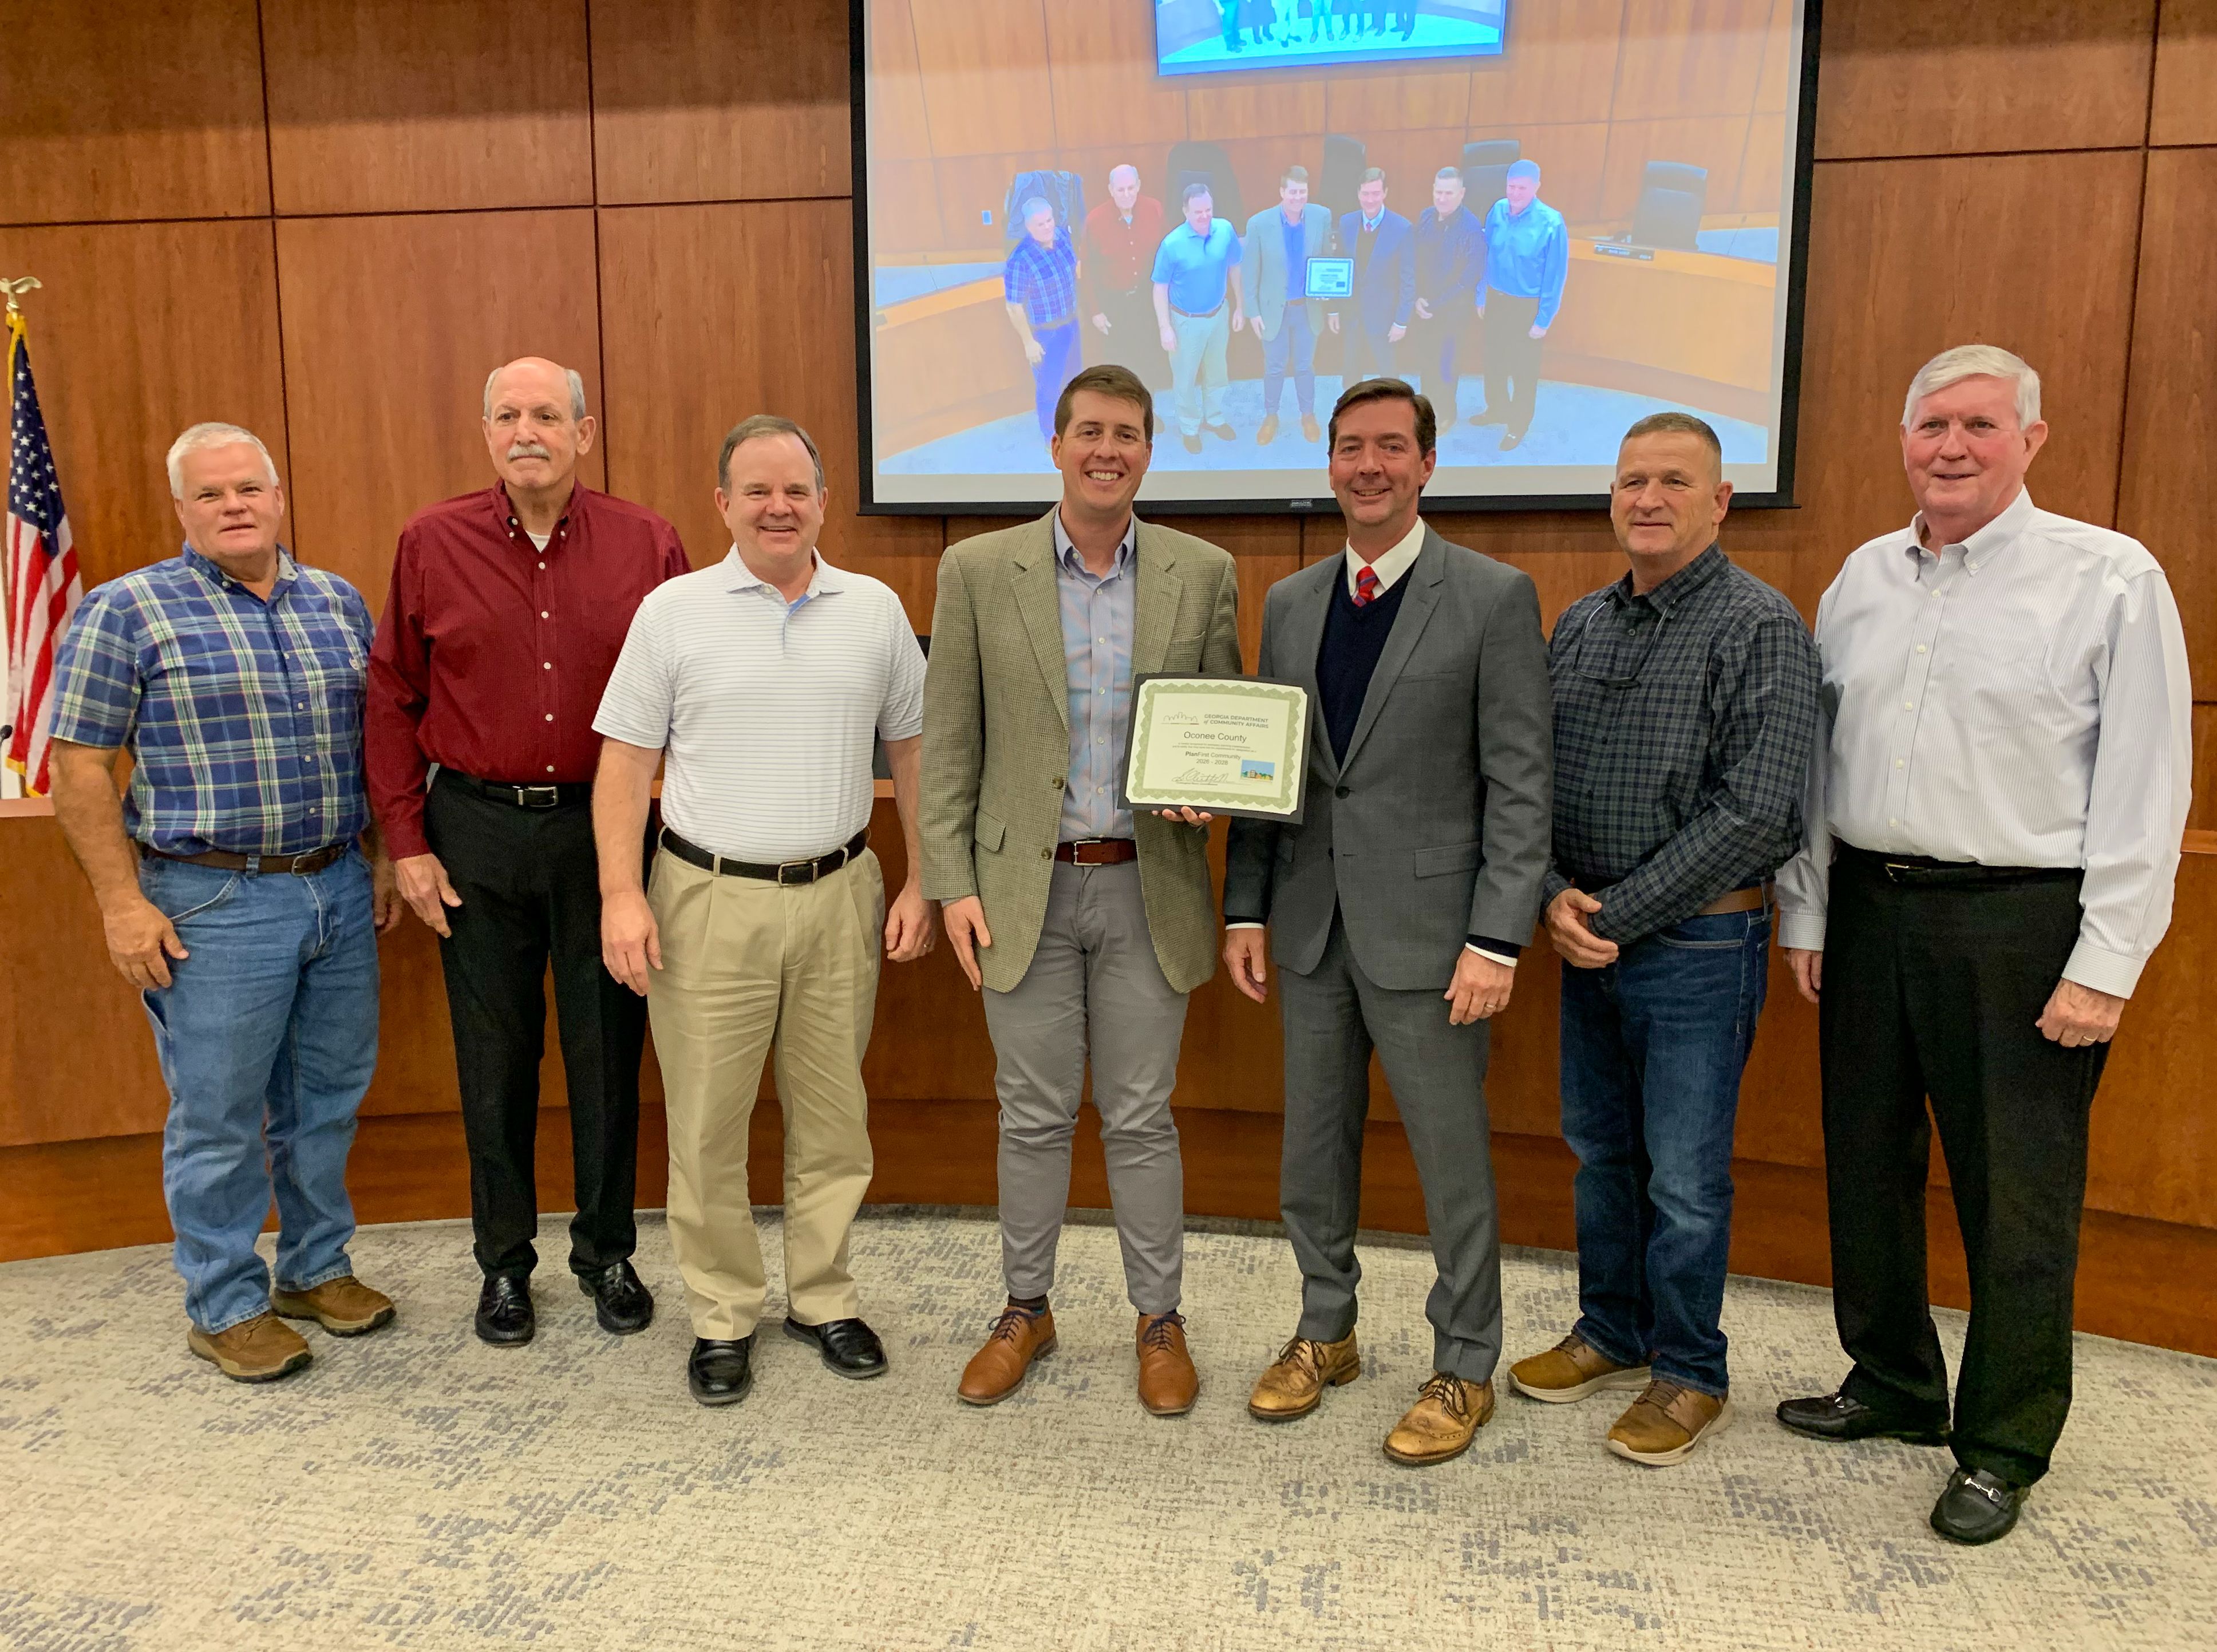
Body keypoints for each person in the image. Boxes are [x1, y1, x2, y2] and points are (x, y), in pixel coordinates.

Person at [1775, 345, 2192, 1544]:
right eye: (1929, 426)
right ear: (1901, 440)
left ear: (2030, 439)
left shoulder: (2106, 578)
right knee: (1864, 1161)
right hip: (1867, 907)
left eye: (1977, 425)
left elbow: (2145, 785)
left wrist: (2105, 962)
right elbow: (1824, 766)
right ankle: (1894, 1383)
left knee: (2015, 1194)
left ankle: (2002, 1441)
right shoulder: (1859, 577)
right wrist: (1807, 909)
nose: (1949, 446)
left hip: (2020, 922)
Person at [1223, 378, 1552, 1467]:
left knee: (1451, 1161)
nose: (1369, 465)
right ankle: (1327, 1330)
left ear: (1425, 464)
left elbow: (1519, 786)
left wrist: (1497, 937)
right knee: (1310, 1152)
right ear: (1327, 464)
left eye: (1390, 448)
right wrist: (1244, 907)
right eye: (1350, 447)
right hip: (1311, 930)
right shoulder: (1292, 602)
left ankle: (1463, 1362)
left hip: (1436, 942)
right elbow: (1278, 777)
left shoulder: (1494, 596)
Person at [591, 416, 936, 1409]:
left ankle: (822, 1296)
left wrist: (918, 878)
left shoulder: (873, 610)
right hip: (704, 898)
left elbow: (911, 749)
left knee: (834, 1117)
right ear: (724, 504)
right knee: (706, 1122)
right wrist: (621, 892)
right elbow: (623, 763)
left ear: (824, 502)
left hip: (840, 894)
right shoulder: (673, 612)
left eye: (796, 489)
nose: (778, 506)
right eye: (757, 490)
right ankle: (723, 1314)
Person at [46, 422, 402, 1382]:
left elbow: (366, 746)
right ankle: (224, 1301)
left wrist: (375, 857)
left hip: (332, 885)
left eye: (249, 488)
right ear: (183, 511)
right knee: (219, 1111)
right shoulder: (127, 611)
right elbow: (77, 766)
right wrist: (122, 903)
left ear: (279, 496)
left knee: (326, 1100)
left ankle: (315, 1269)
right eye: (211, 495)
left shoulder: (337, 603)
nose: (234, 505)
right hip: (211, 900)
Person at [922, 363, 1242, 1416]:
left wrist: (1214, 787)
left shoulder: (1202, 572)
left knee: (1142, 1116)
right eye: (1090, 431)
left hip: (1149, 885)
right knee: (1032, 1114)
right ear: (1054, 443)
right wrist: (949, 884)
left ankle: (1159, 1319)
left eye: (1129, 434)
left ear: (1150, 449)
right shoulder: (975, 569)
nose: (1109, 449)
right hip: (1023, 893)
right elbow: (951, 747)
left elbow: (1225, 718)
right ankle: (1028, 1307)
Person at [1507, 413, 1819, 1466]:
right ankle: (1613, 1329)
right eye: (1631, 479)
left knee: (1683, 1179)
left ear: (1720, 501)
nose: (1648, 498)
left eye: (1673, 481)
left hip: (1694, 949)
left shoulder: (1759, 624)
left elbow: (1761, 813)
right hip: (1584, 937)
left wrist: (1608, 915)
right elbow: (1530, 786)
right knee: (1600, 1156)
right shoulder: (1582, 624)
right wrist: (1552, 895)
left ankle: (1689, 1370)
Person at [367, 357, 689, 1348]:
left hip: (608, 830)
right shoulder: (430, 541)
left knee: (607, 1053)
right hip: (473, 831)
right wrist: (406, 842)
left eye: (546, 414)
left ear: (584, 433)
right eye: (506, 414)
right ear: (485, 434)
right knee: (493, 1058)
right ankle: (503, 1265)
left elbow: (693, 684)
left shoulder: (648, 543)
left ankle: (607, 1254)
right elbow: (391, 696)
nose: (525, 431)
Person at [1475, 160, 1568, 450]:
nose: (1514, 194)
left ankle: (1518, 423)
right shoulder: (1497, 210)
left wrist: (1543, 320)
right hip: (1496, 299)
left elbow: (1555, 276)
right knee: (1494, 361)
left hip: (1526, 307)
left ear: (1537, 188)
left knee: (1523, 369)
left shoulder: (1551, 222)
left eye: (1522, 188)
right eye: (1511, 187)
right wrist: (1481, 294)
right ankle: (1498, 408)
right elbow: (1485, 254)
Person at [1152, 184, 1247, 453]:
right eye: (1197, 212)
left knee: (1218, 372)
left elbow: (1234, 268)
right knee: (1185, 377)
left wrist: (1240, 306)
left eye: (1208, 210)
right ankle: (1189, 427)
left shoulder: (1225, 230)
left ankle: (1215, 418)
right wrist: (1165, 328)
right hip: (1185, 322)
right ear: (1185, 211)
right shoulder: (1171, 244)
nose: (1204, 217)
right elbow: (1160, 287)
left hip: (1219, 316)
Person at [1243, 164, 1333, 445]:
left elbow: (1327, 260)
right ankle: (1271, 416)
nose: (1297, 197)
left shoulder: (1321, 216)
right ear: (1282, 192)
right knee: (1274, 367)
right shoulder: (1259, 224)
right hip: (1273, 311)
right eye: (1292, 192)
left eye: (1302, 192)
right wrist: (1252, 311)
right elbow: (1250, 272)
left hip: (1308, 309)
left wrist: (1329, 297)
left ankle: (1308, 416)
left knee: (1305, 366)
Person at [1003, 199, 1083, 445]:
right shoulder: (1020, 260)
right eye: (1040, 224)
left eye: (1049, 220)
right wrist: (1028, 342)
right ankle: (1052, 435)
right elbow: (1013, 306)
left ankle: (1075, 425)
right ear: (1028, 226)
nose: (1047, 227)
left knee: (1074, 380)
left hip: (1071, 324)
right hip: (1045, 334)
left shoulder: (1062, 236)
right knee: (1049, 388)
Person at [1410, 168, 1483, 430]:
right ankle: (1427, 411)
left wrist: (1435, 306)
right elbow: (1417, 262)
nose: (1442, 198)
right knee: (1427, 362)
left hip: (1453, 313)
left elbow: (1468, 279)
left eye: (1448, 193)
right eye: (1438, 192)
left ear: (1461, 194)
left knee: (1447, 366)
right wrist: (1418, 298)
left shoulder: (1472, 229)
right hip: (1425, 308)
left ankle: (1447, 413)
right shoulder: (1426, 218)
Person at [1082, 165, 1168, 388]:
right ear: (1111, 190)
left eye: (1131, 188)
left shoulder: (1154, 210)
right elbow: (1088, 271)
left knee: (1150, 362)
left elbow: (1167, 257)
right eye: (1121, 190)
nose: (1127, 194)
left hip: (1147, 300)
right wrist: (1095, 311)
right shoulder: (1095, 220)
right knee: (1120, 367)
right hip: (1114, 304)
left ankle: (1148, 415)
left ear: (1139, 185)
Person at [1338, 169, 1414, 388]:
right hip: (1352, 316)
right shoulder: (1347, 223)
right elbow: (1342, 268)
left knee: (1389, 376)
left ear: (1385, 193)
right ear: (1358, 194)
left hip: (1385, 319)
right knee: (1350, 374)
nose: (1370, 200)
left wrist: (1402, 320)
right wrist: (1334, 309)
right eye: (1365, 194)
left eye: (1375, 193)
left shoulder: (1402, 228)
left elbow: (1408, 279)